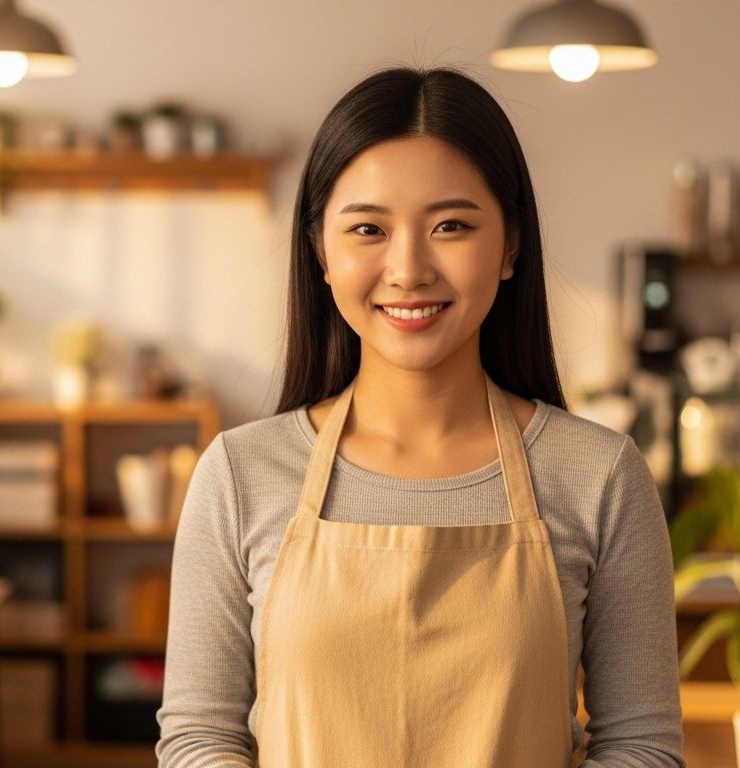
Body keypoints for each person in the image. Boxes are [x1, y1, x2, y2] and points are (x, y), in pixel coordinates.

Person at [156, 66, 684, 767]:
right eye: (368, 227)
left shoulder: (601, 476)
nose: (408, 268)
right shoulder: (238, 475)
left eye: (452, 225)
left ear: (511, 246)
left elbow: (642, 747)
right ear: (320, 249)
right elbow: (199, 737)